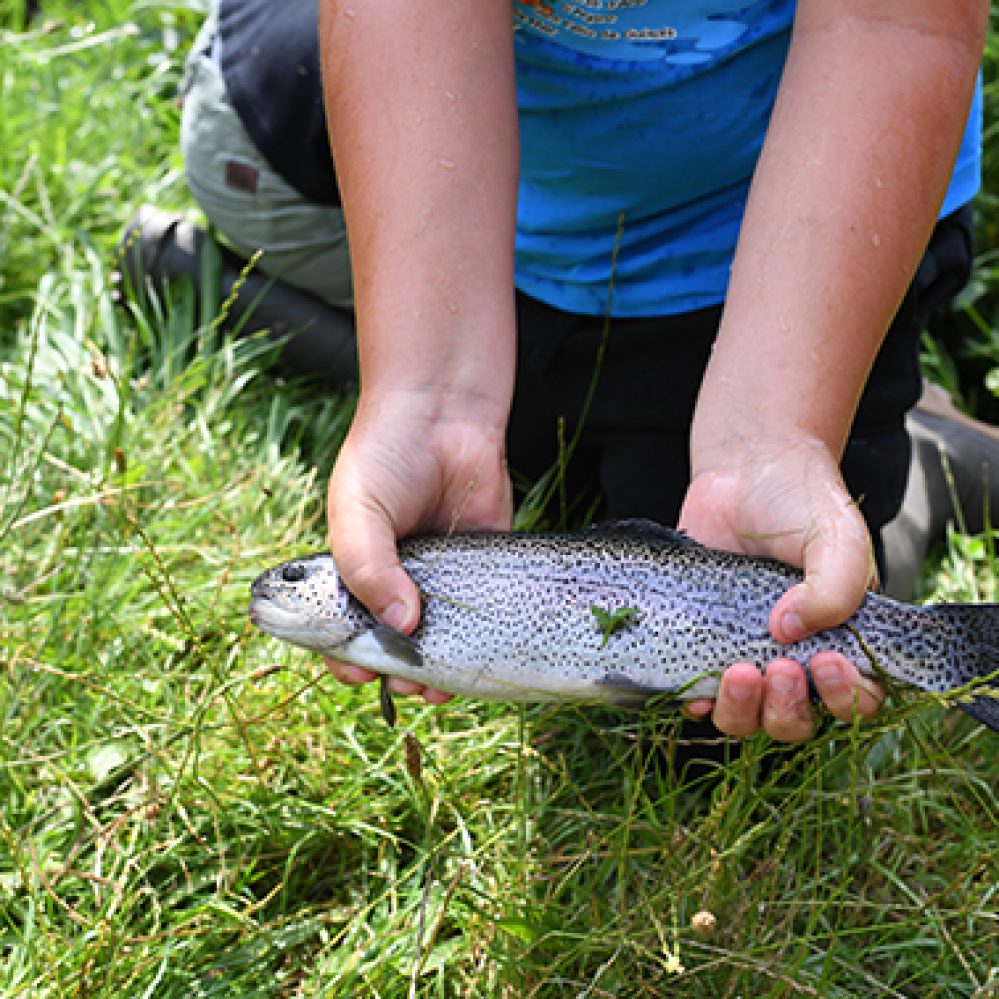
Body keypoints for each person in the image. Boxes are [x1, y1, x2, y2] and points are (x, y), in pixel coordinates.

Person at [155, 0, 989, 742]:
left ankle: (918, 464)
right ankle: (284, 301)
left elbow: (894, 19)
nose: (284, 586)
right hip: (451, 169)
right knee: (257, 133)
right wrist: (429, 398)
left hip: (800, 222)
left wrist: (776, 434)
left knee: (717, 745)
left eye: (301, 579)